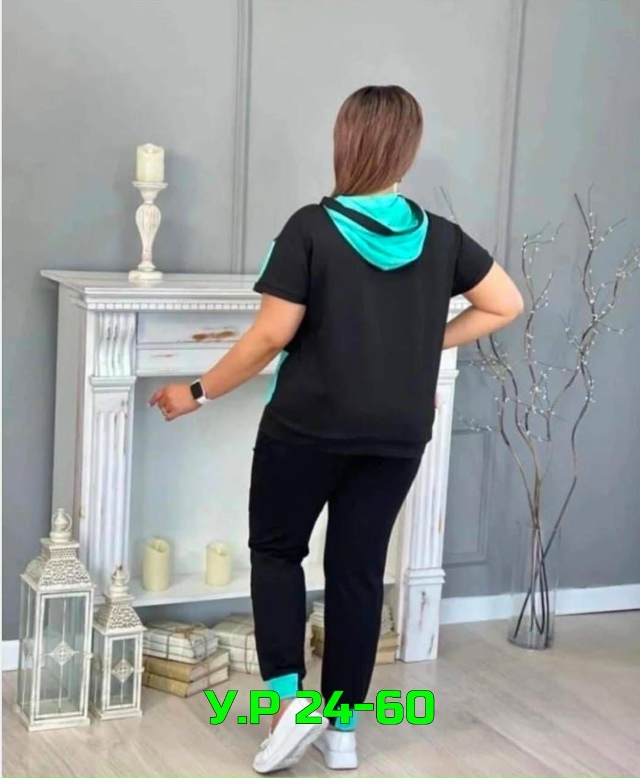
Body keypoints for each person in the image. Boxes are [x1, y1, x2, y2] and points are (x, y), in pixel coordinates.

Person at [149, 85, 524, 774]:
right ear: (406, 149)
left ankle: (289, 703)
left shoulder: (311, 229)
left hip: (306, 429)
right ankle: (342, 731)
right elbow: (506, 303)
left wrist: (196, 392)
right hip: (398, 434)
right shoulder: (442, 237)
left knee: (277, 551)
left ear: (345, 141)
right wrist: (421, 345)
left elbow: (270, 337)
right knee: (358, 571)